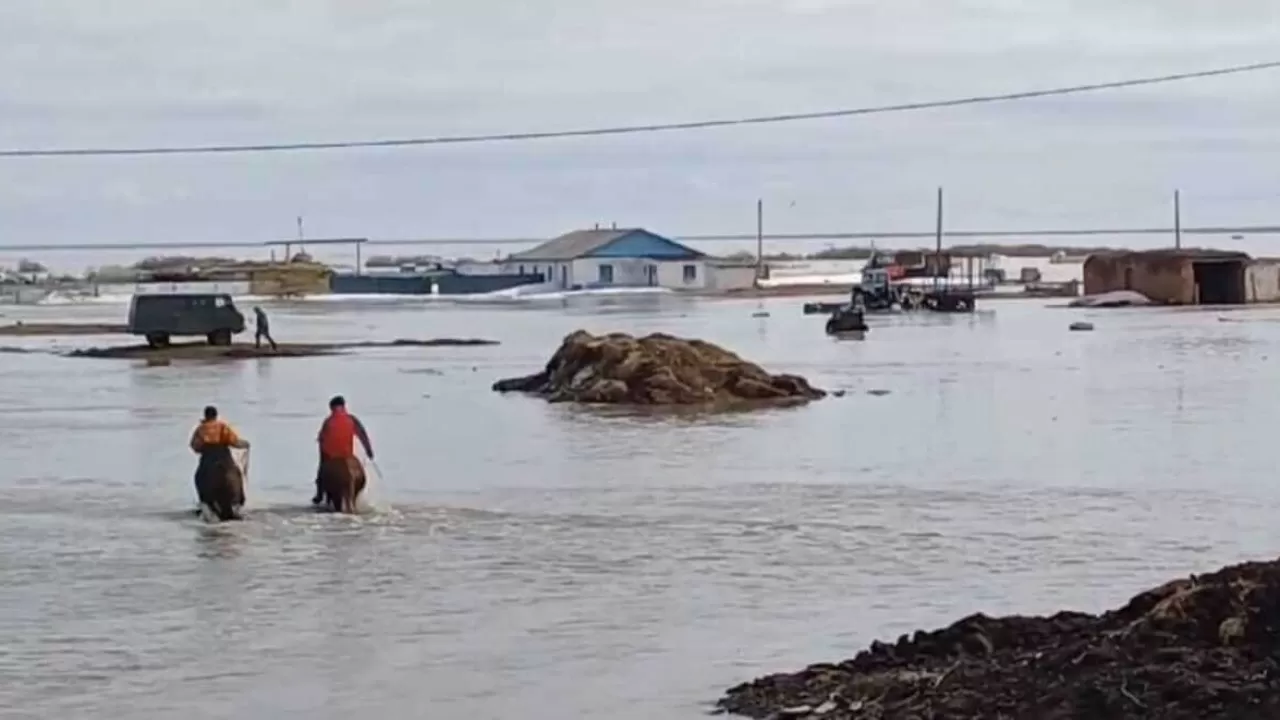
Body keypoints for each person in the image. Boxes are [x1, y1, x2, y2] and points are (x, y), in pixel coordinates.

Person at [190, 405, 251, 518]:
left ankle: (205, 503)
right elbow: (234, 441)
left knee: (199, 477)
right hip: (224, 456)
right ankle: (238, 501)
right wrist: (245, 444)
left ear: (205, 415)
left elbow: (195, 446)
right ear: (216, 415)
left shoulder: (201, 429)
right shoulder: (223, 427)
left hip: (208, 458)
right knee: (236, 473)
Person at [312, 395, 374, 505]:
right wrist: (369, 451)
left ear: (331, 408)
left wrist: (322, 463)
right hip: (348, 455)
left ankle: (319, 494)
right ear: (344, 406)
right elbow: (362, 435)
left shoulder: (328, 421)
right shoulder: (352, 419)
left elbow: (322, 441)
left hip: (332, 457)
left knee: (323, 468)